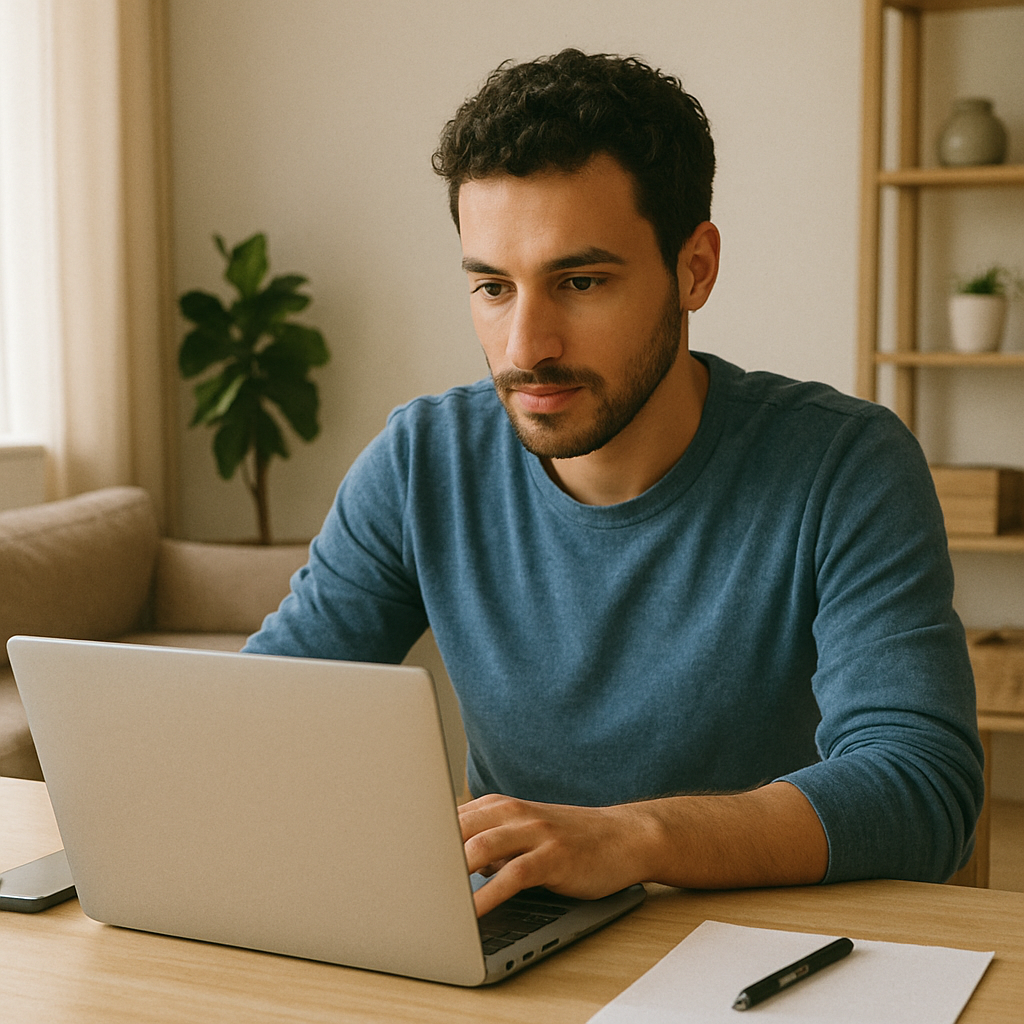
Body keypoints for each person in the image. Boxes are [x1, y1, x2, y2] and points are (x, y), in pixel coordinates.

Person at [243, 49, 984, 917]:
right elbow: (265, 717)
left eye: (580, 281)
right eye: (492, 287)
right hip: (519, 941)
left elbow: (920, 784)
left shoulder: (845, 466)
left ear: (694, 267)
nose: (525, 346)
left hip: (768, 950)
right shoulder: (422, 463)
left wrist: (633, 838)